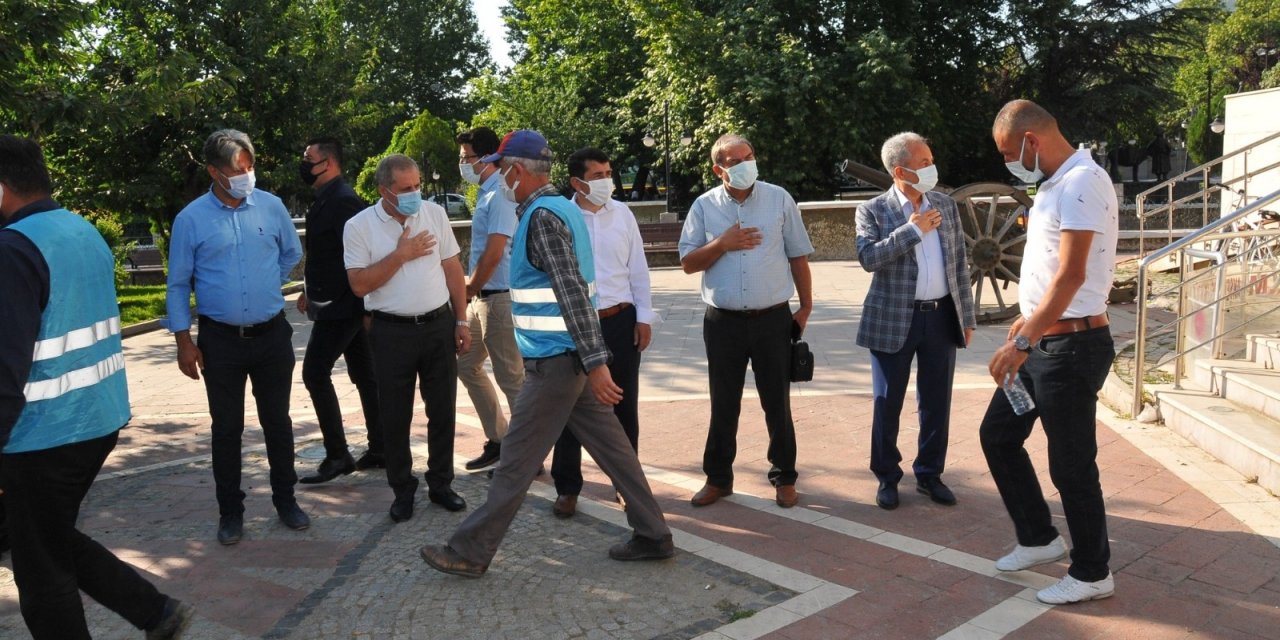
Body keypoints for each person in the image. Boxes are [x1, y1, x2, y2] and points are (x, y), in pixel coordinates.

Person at [419, 130, 673, 578]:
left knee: (515, 463)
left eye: (499, 169)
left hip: (557, 365)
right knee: (616, 453)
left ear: (516, 171)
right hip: (568, 361)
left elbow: (572, 293)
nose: (495, 176)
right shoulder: (559, 210)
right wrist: (591, 361)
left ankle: (470, 551)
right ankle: (654, 534)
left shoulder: (541, 216)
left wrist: (595, 364)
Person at [0, 134, 194, 639]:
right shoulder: (79, 230)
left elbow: (5, 370)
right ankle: (155, 611)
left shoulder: (13, 249)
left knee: (42, 571)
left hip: (42, 435)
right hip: (96, 419)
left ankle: (156, 611)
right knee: (45, 536)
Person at [981, 99, 1119, 605]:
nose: (1008, 163)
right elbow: (1047, 274)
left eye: (1008, 153)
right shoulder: (1056, 185)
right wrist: (1025, 326)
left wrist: (1023, 340)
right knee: (998, 435)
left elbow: (1073, 274)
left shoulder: (1082, 181)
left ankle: (1091, 572)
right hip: (1044, 339)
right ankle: (1039, 537)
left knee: (1072, 464)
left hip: (1071, 347)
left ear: (1031, 142)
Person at [166, 129, 309, 546]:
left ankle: (287, 501)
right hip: (220, 342)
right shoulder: (191, 219)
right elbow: (177, 284)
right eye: (237, 170)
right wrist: (183, 341)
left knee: (278, 424)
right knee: (226, 428)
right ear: (214, 171)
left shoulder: (271, 206)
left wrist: (270, 282)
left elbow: (291, 254)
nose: (247, 175)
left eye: (250, 167)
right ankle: (231, 512)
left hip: (271, 336)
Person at [678, 133, 814, 509]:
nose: (745, 164)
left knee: (777, 402)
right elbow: (688, 263)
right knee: (724, 403)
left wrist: (805, 307)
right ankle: (718, 479)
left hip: (773, 319)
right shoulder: (704, 206)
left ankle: (784, 476)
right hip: (723, 323)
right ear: (718, 168)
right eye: (734, 161)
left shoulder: (779, 199)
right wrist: (722, 243)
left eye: (749, 156)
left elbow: (798, 256)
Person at [343, 154, 471, 523]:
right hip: (390, 331)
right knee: (395, 416)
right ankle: (402, 490)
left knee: (443, 410)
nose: (415, 193)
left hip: (437, 325)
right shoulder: (359, 226)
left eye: (417, 185)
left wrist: (461, 320)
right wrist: (401, 255)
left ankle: (442, 484)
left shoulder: (433, 214)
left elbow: (452, 267)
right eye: (406, 189)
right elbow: (358, 285)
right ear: (385, 191)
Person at [855, 132, 977, 510]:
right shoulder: (872, 210)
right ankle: (887, 477)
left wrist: (967, 317)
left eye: (930, 160)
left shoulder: (945, 204)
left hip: (941, 316)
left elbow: (959, 263)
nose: (931, 168)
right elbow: (868, 258)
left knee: (936, 401)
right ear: (900, 170)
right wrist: (912, 230)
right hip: (893, 319)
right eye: (924, 163)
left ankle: (930, 474)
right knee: (887, 401)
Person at [550, 147, 659, 517]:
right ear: (576, 182)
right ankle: (567, 486)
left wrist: (644, 317)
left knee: (623, 404)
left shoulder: (622, 214)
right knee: (570, 405)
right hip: (576, 324)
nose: (607, 181)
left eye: (609, 173)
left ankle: (626, 483)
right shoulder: (559, 217)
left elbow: (638, 269)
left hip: (620, 320)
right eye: (598, 176)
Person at [296, 136, 384, 484]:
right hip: (337, 303)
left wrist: (366, 306)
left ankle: (337, 454)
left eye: (308, 158)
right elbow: (327, 255)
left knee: (314, 372)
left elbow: (363, 254)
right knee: (365, 375)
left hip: (345, 306)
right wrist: (308, 288)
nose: (303, 164)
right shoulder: (328, 198)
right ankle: (381, 447)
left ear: (328, 163)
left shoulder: (344, 201)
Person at [456, 127, 524, 472]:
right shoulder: (485, 193)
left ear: (485, 158)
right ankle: (500, 439)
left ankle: (526, 454)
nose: (462, 164)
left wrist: (468, 287)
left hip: (498, 298)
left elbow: (495, 251)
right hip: (481, 297)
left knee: (511, 377)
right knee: (466, 364)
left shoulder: (499, 193)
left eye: (466, 157)